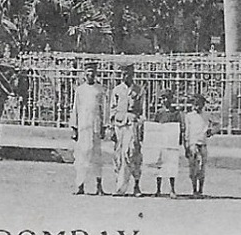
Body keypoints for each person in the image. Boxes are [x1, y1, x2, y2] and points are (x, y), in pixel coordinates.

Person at [69, 63, 107, 195]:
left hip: (95, 126)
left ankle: (99, 186)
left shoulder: (100, 90)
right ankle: (80, 185)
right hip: (83, 127)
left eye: (92, 72)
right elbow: (75, 109)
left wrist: (104, 126)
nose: (90, 75)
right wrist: (74, 128)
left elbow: (104, 110)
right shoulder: (80, 90)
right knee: (82, 155)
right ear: (84, 74)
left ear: (95, 73)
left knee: (97, 156)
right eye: (88, 72)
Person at [109, 63, 143, 196]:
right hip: (119, 124)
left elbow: (142, 110)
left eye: (127, 74)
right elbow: (112, 109)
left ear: (132, 74)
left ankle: (136, 185)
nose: (125, 76)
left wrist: (140, 127)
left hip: (132, 125)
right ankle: (119, 187)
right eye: (123, 74)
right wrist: (112, 127)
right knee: (119, 155)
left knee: (132, 154)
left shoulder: (139, 90)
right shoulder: (117, 90)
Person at [146, 91, 183, 197]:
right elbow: (155, 127)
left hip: (171, 142)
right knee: (159, 164)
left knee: (171, 164)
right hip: (160, 142)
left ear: (171, 99)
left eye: (167, 98)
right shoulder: (159, 113)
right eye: (163, 98)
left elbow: (179, 127)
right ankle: (158, 189)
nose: (165, 100)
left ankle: (172, 189)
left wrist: (179, 139)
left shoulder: (175, 113)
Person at [183, 93, 211, 197]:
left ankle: (201, 190)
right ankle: (194, 189)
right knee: (193, 168)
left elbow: (217, 124)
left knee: (202, 168)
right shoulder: (189, 116)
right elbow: (186, 132)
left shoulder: (206, 115)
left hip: (202, 143)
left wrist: (210, 132)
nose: (198, 106)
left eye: (200, 104)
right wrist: (186, 146)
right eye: (196, 104)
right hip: (193, 144)